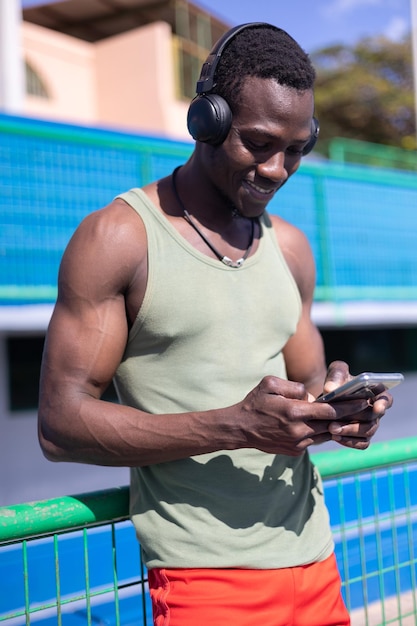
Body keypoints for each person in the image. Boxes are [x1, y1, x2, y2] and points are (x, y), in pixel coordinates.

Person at [38, 22, 393, 626]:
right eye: (257, 144)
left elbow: (307, 390)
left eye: (298, 149)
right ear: (207, 121)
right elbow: (60, 425)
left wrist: (339, 411)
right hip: (205, 579)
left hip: (316, 559)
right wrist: (235, 426)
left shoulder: (292, 250)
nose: (278, 169)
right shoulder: (119, 238)